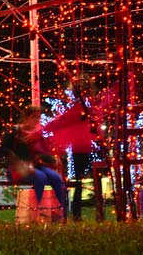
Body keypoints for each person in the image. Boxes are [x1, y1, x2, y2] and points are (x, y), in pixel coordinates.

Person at [45, 76, 99, 221]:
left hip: (80, 148)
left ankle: (75, 213)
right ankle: (78, 213)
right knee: (83, 181)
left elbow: (62, 121)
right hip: (88, 147)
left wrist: (46, 128)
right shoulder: (88, 107)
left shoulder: (79, 108)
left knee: (78, 182)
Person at [1, 107, 68, 220]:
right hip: (19, 168)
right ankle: (39, 212)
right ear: (26, 118)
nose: (37, 120)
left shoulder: (37, 135)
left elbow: (44, 153)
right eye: (34, 117)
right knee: (40, 177)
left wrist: (53, 159)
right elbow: (4, 149)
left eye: (38, 117)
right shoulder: (15, 131)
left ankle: (61, 213)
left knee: (56, 178)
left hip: (36, 166)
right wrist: (19, 161)